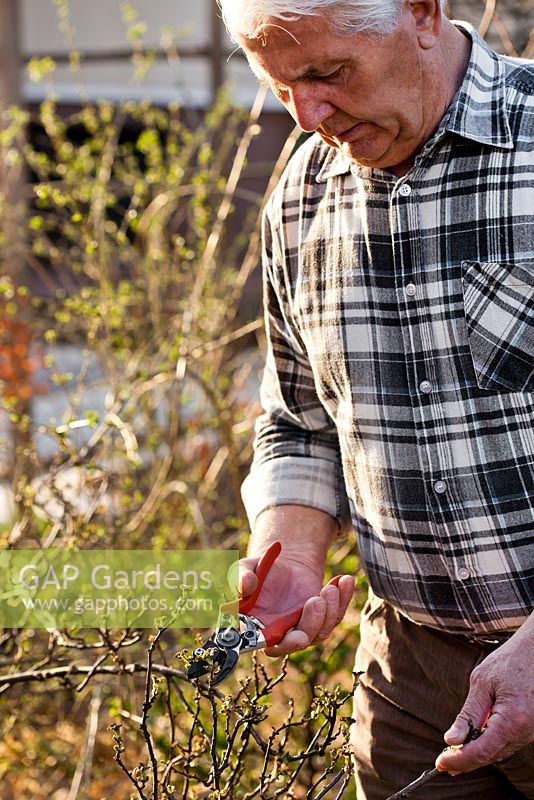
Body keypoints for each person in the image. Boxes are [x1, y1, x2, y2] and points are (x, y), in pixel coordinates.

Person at [218, 0, 534, 797]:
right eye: (281, 87)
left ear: (422, 12)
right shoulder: (298, 196)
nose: (311, 116)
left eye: (327, 73)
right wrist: (288, 549)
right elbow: (299, 419)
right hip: (412, 676)